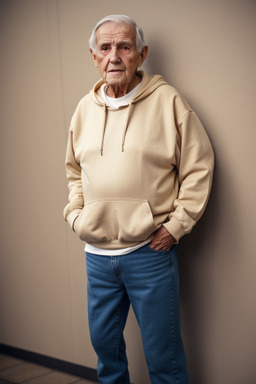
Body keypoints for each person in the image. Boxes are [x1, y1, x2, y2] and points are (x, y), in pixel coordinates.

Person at [64, 14, 214, 384]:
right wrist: (76, 216)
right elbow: (73, 172)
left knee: (164, 357)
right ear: (93, 56)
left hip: (149, 253)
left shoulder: (168, 101)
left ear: (141, 54)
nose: (114, 56)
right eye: (105, 47)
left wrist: (176, 227)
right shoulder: (85, 108)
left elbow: (199, 166)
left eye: (124, 46)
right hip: (97, 255)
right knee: (106, 354)